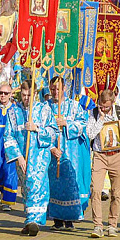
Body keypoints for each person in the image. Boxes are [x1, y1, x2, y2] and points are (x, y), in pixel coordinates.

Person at [4, 81, 58, 236]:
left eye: (29, 95)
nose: (26, 98)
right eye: (23, 95)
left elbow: (54, 133)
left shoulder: (44, 110)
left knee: (37, 185)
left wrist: (37, 128)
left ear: (34, 94)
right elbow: (8, 136)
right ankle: (29, 219)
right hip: (22, 156)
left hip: (40, 155)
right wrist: (18, 156)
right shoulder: (13, 112)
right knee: (27, 187)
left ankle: (34, 220)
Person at [86, 89, 120, 238]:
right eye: (102, 106)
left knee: (116, 192)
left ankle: (112, 224)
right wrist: (101, 119)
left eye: (107, 107)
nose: (104, 109)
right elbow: (89, 134)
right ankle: (98, 225)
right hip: (100, 155)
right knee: (96, 190)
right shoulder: (94, 113)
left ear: (112, 102)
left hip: (117, 155)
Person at [47, 76, 91, 231]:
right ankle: (57, 220)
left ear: (64, 88)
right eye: (52, 89)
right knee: (55, 185)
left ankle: (70, 220)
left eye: (58, 88)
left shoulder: (74, 106)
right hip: (53, 153)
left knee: (70, 184)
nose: (55, 92)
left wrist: (67, 123)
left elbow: (82, 125)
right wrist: (51, 147)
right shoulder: (46, 107)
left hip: (71, 153)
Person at [0, 84, 19, 212]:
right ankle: (2, 193)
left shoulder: (16, 109)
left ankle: (8, 200)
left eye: (6, 93)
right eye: (1, 92)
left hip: (10, 145)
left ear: (11, 94)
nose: (3, 95)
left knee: (10, 171)